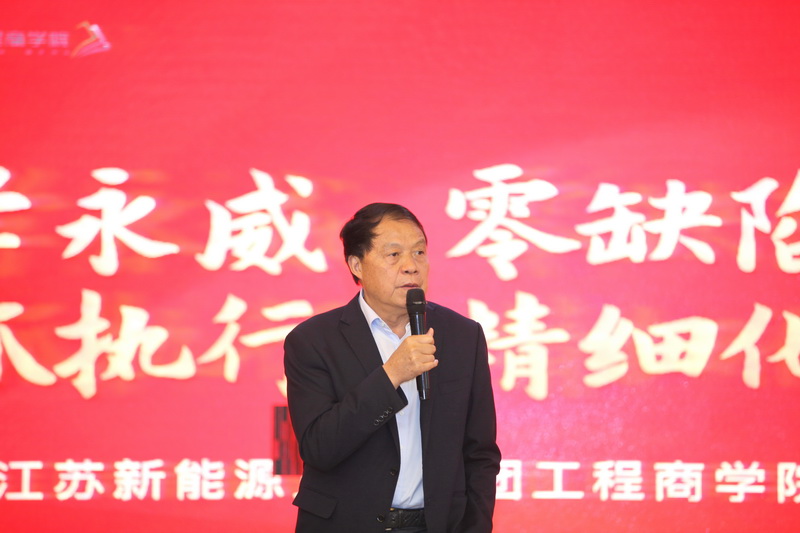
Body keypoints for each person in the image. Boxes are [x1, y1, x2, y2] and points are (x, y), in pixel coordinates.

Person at [284, 203, 501, 532]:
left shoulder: (463, 336)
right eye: (394, 254)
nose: (411, 267)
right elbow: (319, 448)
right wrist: (391, 375)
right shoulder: (313, 341)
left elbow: (480, 452)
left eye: (419, 252)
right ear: (357, 265)